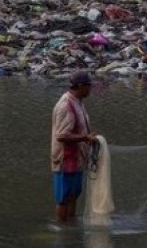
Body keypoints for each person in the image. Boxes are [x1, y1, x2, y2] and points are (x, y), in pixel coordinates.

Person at [51, 71, 97, 223]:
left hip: (77, 159)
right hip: (65, 160)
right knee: (63, 198)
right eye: (89, 86)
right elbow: (61, 135)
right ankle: (61, 231)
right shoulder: (66, 105)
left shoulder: (78, 102)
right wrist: (84, 137)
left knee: (74, 194)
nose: (90, 89)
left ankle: (70, 226)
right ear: (81, 86)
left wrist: (89, 137)